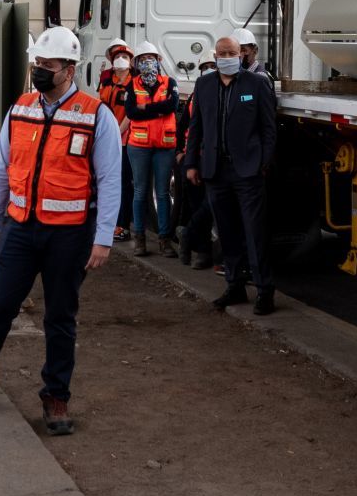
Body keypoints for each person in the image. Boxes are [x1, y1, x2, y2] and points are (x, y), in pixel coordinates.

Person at [0, 26, 121, 434]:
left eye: (48, 65)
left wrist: (102, 239)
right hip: (21, 229)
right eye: (37, 65)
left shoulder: (96, 115)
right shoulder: (21, 109)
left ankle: (56, 397)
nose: (40, 71)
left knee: (60, 318)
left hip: (70, 235)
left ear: (69, 68)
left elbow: (111, 180)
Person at [186, 32, 279, 314]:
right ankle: (234, 285)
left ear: (242, 55)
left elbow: (268, 129)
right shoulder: (204, 85)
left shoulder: (257, 84)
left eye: (232, 53)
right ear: (215, 57)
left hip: (248, 172)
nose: (227, 58)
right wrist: (192, 163)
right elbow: (196, 128)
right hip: (216, 172)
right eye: (222, 54)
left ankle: (264, 290)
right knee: (227, 232)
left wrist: (263, 163)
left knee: (254, 232)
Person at [119, 41, 179, 258]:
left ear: (158, 61)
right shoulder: (131, 86)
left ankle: (164, 240)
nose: (147, 63)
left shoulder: (169, 82)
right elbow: (132, 113)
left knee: (162, 193)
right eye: (143, 59)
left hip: (164, 146)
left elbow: (172, 106)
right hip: (139, 147)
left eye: (151, 59)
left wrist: (146, 108)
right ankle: (140, 241)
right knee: (140, 192)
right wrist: (157, 110)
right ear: (137, 63)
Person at [176, 57, 218, 269]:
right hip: (195, 159)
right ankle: (203, 254)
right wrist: (181, 154)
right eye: (205, 67)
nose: (209, 70)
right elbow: (186, 127)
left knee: (211, 203)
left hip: (214, 158)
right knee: (197, 203)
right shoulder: (196, 95)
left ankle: (188, 232)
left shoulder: (223, 92)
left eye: (212, 67)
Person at [98, 40, 135, 242]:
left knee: (123, 184)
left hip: (125, 138)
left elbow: (131, 112)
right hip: (108, 137)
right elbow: (100, 105)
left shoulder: (134, 82)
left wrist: (117, 132)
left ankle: (123, 225)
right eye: (117, 56)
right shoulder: (106, 80)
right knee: (108, 181)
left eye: (125, 57)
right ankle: (110, 223)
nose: (121, 60)